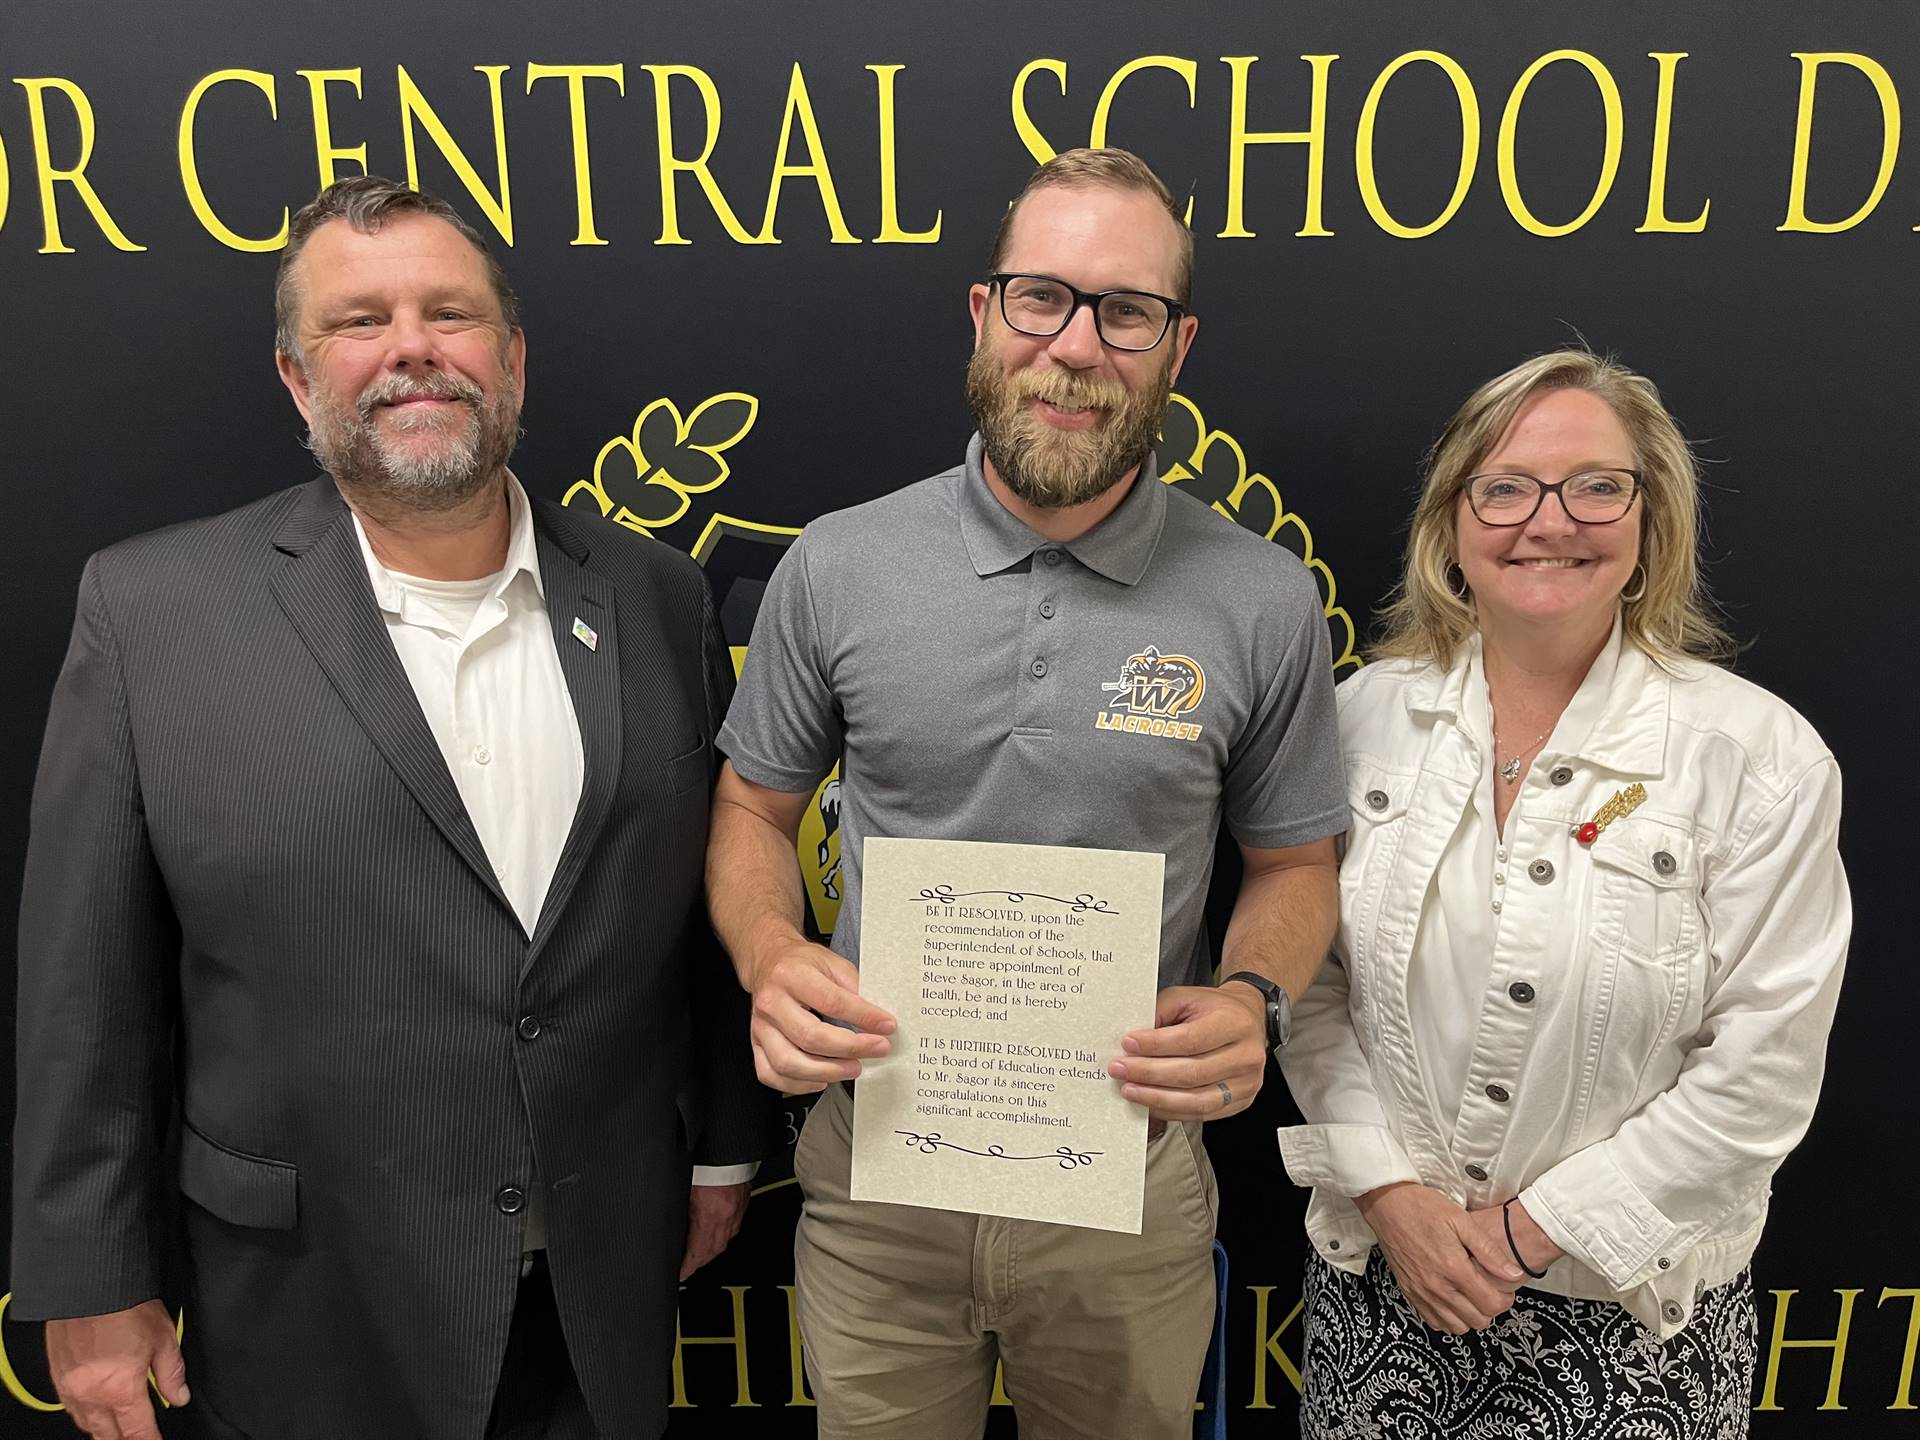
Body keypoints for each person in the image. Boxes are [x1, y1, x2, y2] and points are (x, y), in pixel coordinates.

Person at [11, 176, 773, 1440]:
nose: (412, 346)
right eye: (359, 320)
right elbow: (85, 984)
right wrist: (90, 1274)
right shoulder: (149, 615)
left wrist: (724, 1149)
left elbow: (696, 905)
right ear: (298, 380)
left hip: (599, 1280)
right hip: (311, 1301)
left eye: (450, 313)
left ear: (513, 359)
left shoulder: (657, 597)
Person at [706, 147, 1347, 1439]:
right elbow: (749, 813)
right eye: (1040, 298)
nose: (1077, 346)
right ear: (984, 312)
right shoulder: (837, 566)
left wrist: (1250, 998)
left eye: (1127, 311)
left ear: (1177, 345)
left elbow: (1293, 866)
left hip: (1127, 1187)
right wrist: (772, 953)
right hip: (878, 1177)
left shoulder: (1263, 599)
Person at [1278, 350, 1849, 1437]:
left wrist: (1527, 1232)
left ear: (1650, 520)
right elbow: (1310, 989)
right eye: (1505, 487)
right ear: (1453, 523)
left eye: (1596, 485)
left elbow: (1763, 1071)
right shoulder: (1358, 722)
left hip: (1637, 1324)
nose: (1550, 520)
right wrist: (1392, 1195)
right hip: (1388, 1292)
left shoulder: (1759, 758)